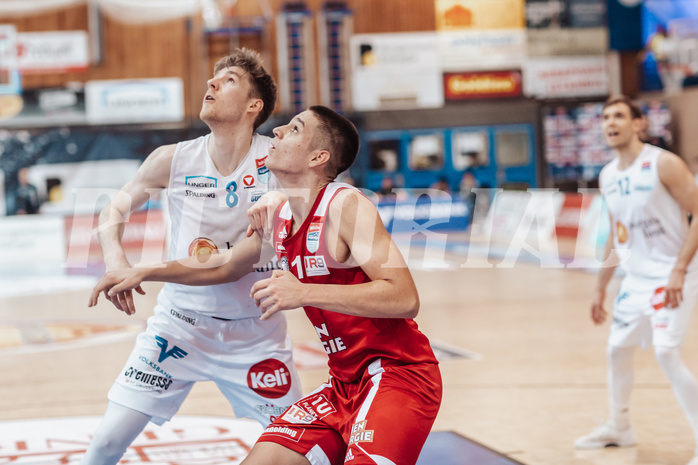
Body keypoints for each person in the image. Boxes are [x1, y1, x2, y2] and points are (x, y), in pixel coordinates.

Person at [89, 105, 443, 465]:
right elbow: (225, 265)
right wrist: (144, 271)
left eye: (294, 129)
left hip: (398, 375)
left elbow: (404, 296)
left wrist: (303, 292)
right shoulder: (282, 216)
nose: (276, 132)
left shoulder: (346, 205)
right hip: (342, 385)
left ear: (318, 156)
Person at [80, 48, 302, 465]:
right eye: (213, 79)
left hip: (256, 336)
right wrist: (116, 261)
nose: (211, 84)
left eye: (229, 80)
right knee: (105, 444)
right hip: (178, 329)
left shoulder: (279, 164)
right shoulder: (173, 158)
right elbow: (113, 209)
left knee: (299, 451)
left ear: (255, 106)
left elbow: (234, 263)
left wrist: (145, 269)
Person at [574, 95, 698, 465]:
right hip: (636, 280)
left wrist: (678, 269)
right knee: (616, 350)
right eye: (605, 117)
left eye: (619, 116)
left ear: (638, 124)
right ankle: (619, 426)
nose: (610, 122)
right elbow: (617, 232)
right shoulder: (608, 175)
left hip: (674, 275)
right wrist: (600, 287)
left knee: (665, 352)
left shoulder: (664, 164)